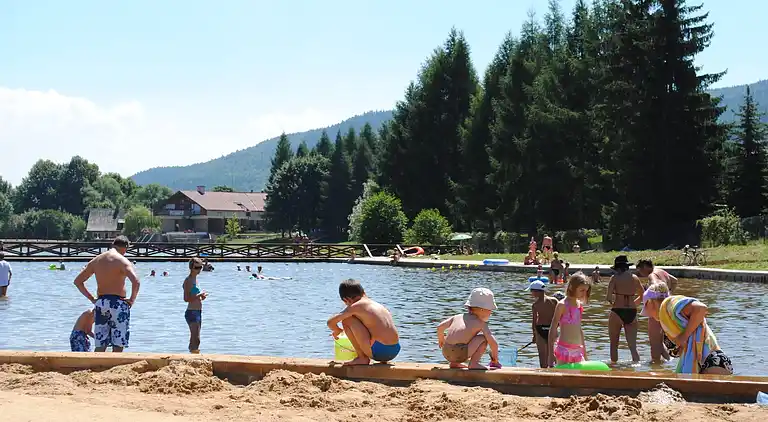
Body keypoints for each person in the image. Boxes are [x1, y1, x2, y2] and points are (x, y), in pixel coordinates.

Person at [641, 283, 733, 375]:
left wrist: (683, 336)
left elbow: (701, 308)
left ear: (650, 302)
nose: (648, 314)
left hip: (711, 362)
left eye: (645, 305)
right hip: (713, 362)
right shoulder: (670, 319)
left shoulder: (669, 304)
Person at [73, 236, 140, 353]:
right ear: (125, 248)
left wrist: (92, 299)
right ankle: (115, 367)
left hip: (101, 303)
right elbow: (136, 281)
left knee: (100, 342)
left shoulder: (97, 260)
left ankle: (97, 366)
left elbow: (78, 282)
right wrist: (132, 300)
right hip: (118, 303)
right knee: (118, 343)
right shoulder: (122, 260)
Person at [327, 279, 401, 365]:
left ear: (346, 300)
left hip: (380, 352)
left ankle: (362, 358)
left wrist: (337, 330)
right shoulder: (377, 305)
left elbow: (330, 322)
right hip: (395, 349)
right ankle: (382, 360)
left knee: (347, 320)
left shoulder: (356, 306)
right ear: (364, 292)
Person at [437, 288, 501, 370]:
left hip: (445, 352)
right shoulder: (481, 323)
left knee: (460, 339)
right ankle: (474, 364)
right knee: (484, 338)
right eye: (490, 310)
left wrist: (441, 340)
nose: (491, 313)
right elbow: (493, 343)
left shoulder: (457, 317)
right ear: (482, 309)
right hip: (460, 354)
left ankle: (454, 364)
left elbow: (439, 327)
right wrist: (495, 359)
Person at [606, 255, 644, 363]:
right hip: (631, 311)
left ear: (617, 267)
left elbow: (608, 298)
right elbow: (643, 295)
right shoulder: (634, 278)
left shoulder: (614, 278)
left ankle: (614, 369)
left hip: (617, 311)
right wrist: (634, 304)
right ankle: (637, 368)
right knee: (633, 347)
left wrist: (614, 303)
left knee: (614, 344)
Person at [548, 272, 592, 366]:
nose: (584, 293)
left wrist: (585, 353)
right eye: (582, 290)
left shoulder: (579, 305)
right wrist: (550, 354)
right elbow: (553, 328)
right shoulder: (562, 305)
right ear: (572, 287)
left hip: (577, 350)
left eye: (586, 291)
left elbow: (579, 330)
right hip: (564, 349)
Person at [527, 280, 558, 368]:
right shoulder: (554, 301)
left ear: (537, 291)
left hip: (540, 329)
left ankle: (544, 374)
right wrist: (556, 328)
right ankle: (556, 371)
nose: (531, 293)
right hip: (551, 329)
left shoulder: (535, 305)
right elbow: (559, 317)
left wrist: (534, 335)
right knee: (552, 354)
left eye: (531, 291)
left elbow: (534, 321)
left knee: (542, 356)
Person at [183, 258, 208, 354]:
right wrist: (199, 295)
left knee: (196, 338)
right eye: (197, 267)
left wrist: (202, 297)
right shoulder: (188, 281)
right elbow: (186, 298)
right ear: (191, 268)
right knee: (196, 338)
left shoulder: (195, 280)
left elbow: (194, 297)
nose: (199, 270)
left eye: (200, 267)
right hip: (192, 312)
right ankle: (193, 355)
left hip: (198, 311)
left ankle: (192, 354)